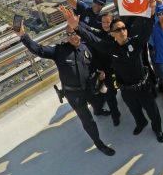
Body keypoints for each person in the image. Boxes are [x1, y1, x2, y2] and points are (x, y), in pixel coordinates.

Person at [61, 2, 163, 143]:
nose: (122, 31)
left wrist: (151, 12)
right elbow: (92, 39)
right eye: (117, 30)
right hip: (126, 89)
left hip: (143, 87)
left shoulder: (136, 43)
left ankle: (157, 129)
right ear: (111, 34)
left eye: (123, 28)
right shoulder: (110, 48)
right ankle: (141, 123)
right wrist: (76, 27)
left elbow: (147, 28)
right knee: (135, 110)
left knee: (153, 111)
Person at [15, 20, 115, 156]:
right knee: (88, 120)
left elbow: (93, 64)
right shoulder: (59, 51)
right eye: (69, 34)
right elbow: (38, 50)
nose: (73, 36)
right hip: (74, 95)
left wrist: (100, 73)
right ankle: (99, 143)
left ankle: (98, 110)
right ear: (66, 36)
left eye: (75, 33)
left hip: (89, 88)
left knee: (99, 102)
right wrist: (23, 36)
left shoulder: (86, 48)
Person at [93, 12, 121, 126]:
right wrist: (99, 70)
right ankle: (115, 115)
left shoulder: (118, 31)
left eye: (108, 22)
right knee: (110, 94)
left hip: (119, 67)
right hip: (106, 70)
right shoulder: (98, 35)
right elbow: (95, 54)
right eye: (103, 22)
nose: (105, 24)